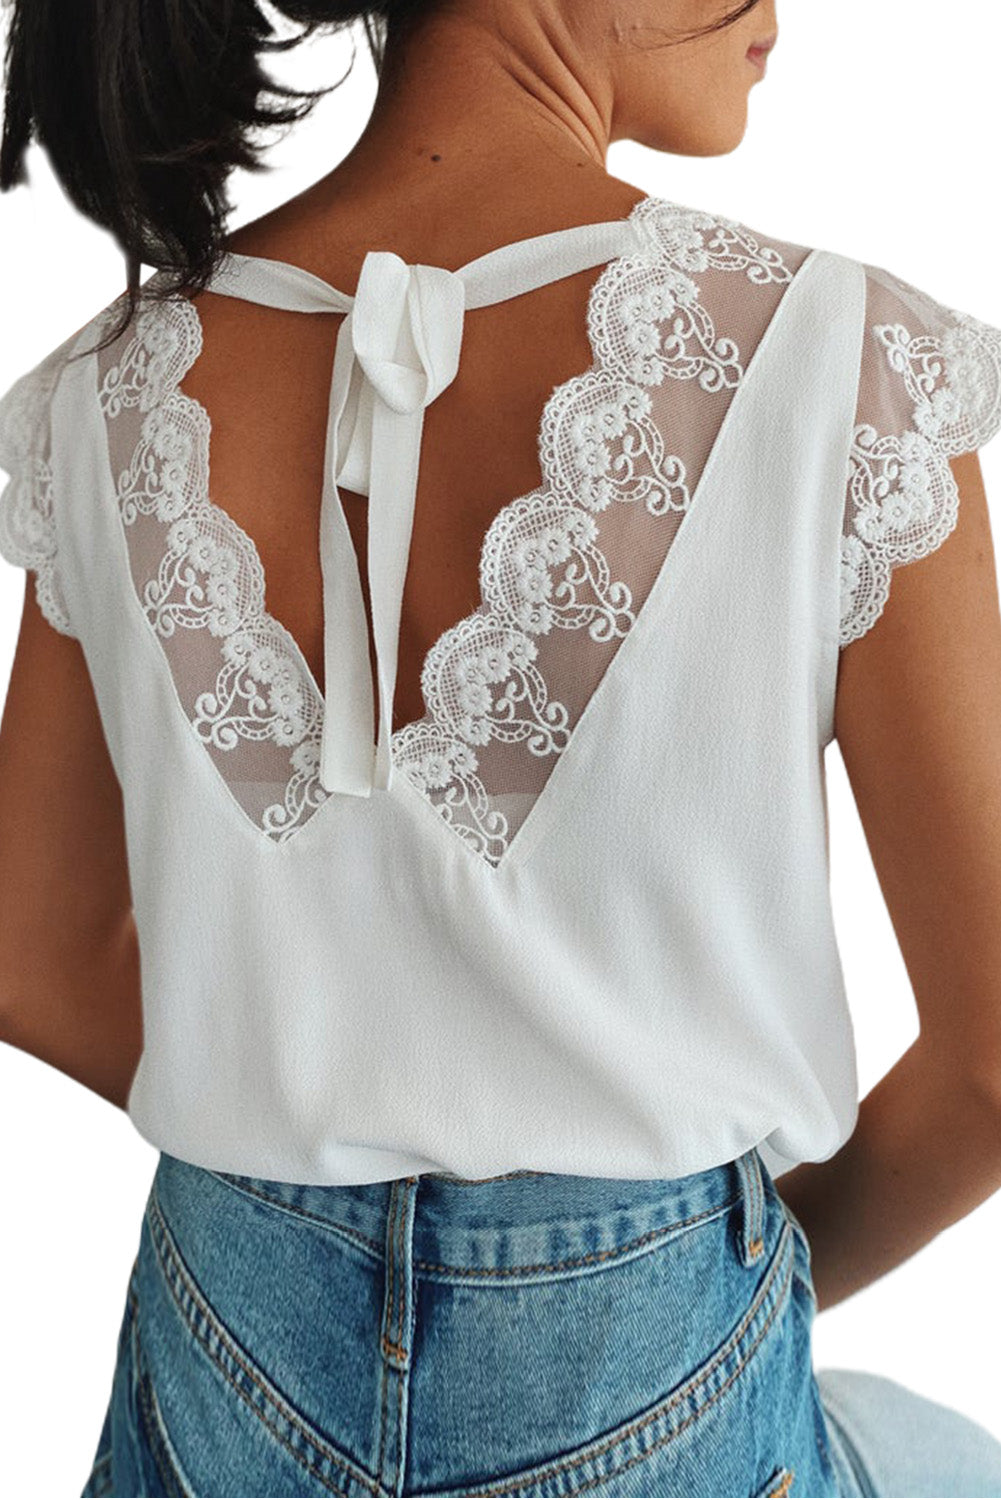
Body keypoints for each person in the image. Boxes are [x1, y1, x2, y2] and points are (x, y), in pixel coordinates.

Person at [2, 0, 1001, 1494]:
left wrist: (311, 1106)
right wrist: (709, 1285)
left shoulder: (103, 396)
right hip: (648, 1356)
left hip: (220, 1349)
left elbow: (30, 957)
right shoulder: (839, 363)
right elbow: (994, 1064)